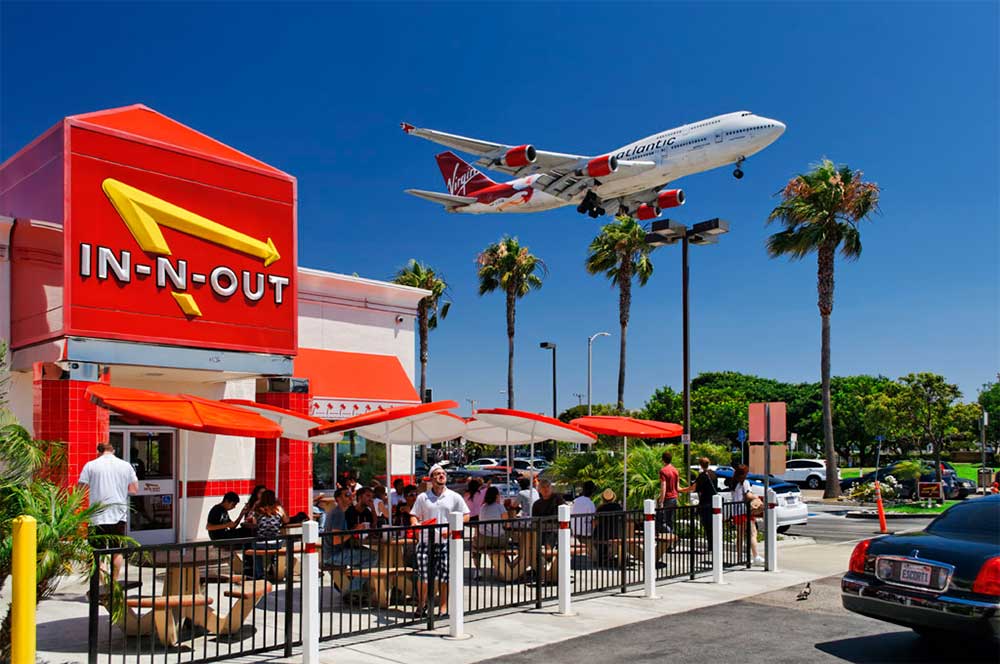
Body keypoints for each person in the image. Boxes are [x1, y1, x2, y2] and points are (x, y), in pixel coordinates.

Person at [410, 464, 470, 617]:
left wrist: (450, 530)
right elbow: (414, 515)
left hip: (446, 543)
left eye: (443, 473)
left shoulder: (454, 496)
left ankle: (443, 607)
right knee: (424, 575)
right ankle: (422, 605)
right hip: (425, 542)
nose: (441, 475)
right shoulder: (422, 497)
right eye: (437, 473)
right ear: (431, 478)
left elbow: (466, 515)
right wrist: (414, 524)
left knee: (445, 576)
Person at [78, 441, 139, 581]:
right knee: (117, 551)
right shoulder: (125, 465)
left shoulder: (91, 465)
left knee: (97, 552)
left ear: (98, 451)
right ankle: (114, 583)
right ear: (113, 451)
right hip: (118, 514)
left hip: (96, 516)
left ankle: (102, 583)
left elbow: (81, 488)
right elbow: (134, 490)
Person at [323, 488, 378, 595]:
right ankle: (352, 590)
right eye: (347, 495)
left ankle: (358, 588)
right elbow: (336, 540)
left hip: (336, 552)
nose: (350, 497)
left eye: (350, 495)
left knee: (366, 556)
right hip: (334, 554)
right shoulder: (338, 514)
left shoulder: (340, 512)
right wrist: (355, 530)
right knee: (373, 556)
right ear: (338, 499)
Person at [727, 465, 763, 565]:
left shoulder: (733, 483)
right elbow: (748, 495)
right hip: (745, 511)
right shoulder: (745, 482)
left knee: (740, 535)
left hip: (736, 512)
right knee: (753, 533)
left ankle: (739, 557)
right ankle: (756, 556)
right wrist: (756, 496)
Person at [681, 457, 718, 547]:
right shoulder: (713, 474)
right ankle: (714, 545)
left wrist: (681, 490)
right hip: (714, 503)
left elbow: (693, 488)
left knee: (707, 525)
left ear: (700, 465)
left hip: (705, 503)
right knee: (714, 525)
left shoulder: (702, 476)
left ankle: (710, 545)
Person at [251, 490, 287, 579]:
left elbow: (254, 523)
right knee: (282, 542)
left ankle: (260, 574)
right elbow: (286, 520)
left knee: (255, 550)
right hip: (276, 543)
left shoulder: (258, 510)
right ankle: (275, 567)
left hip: (261, 543)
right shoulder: (278, 508)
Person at [592, 488, 623, 566]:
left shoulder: (600, 508)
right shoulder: (618, 507)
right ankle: (607, 557)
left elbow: (596, 522)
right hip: (615, 533)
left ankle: (603, 558)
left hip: (601, 534)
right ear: (613, 497)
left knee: (597, 538)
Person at [657, 450, 680, 534]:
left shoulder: (663, 471)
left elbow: (664, 486)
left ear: (663, 460)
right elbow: (677, 487)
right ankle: (671, 540)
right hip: (674, 498)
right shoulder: (675, 470)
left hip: (667, 498)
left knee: (660, 521)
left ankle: (671, 536)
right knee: (670, 520)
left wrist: (661, 501)